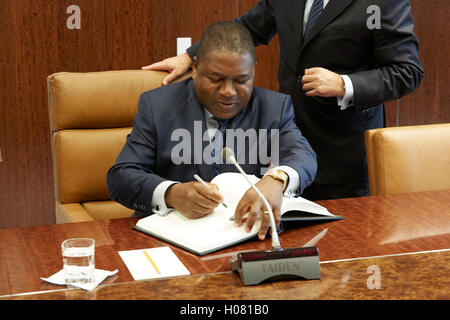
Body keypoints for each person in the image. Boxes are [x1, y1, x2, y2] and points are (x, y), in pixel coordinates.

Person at [143, 0, 424, 201]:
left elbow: (407, 72)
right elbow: (247, 29)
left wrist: (344, 84)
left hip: (342, 154)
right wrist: (190, 56)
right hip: (286, 140)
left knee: (340, 251)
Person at [108, 21, 317, 241]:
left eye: (241, 80)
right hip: (171, 239)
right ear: (195, 67)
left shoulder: (274, 108)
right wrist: (171, 193)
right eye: (215, 79)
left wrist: (277, 179)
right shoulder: (158, 106)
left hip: (244, 237)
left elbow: (303, 156)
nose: (228, 92)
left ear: (253, 71)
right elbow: (121, 176)